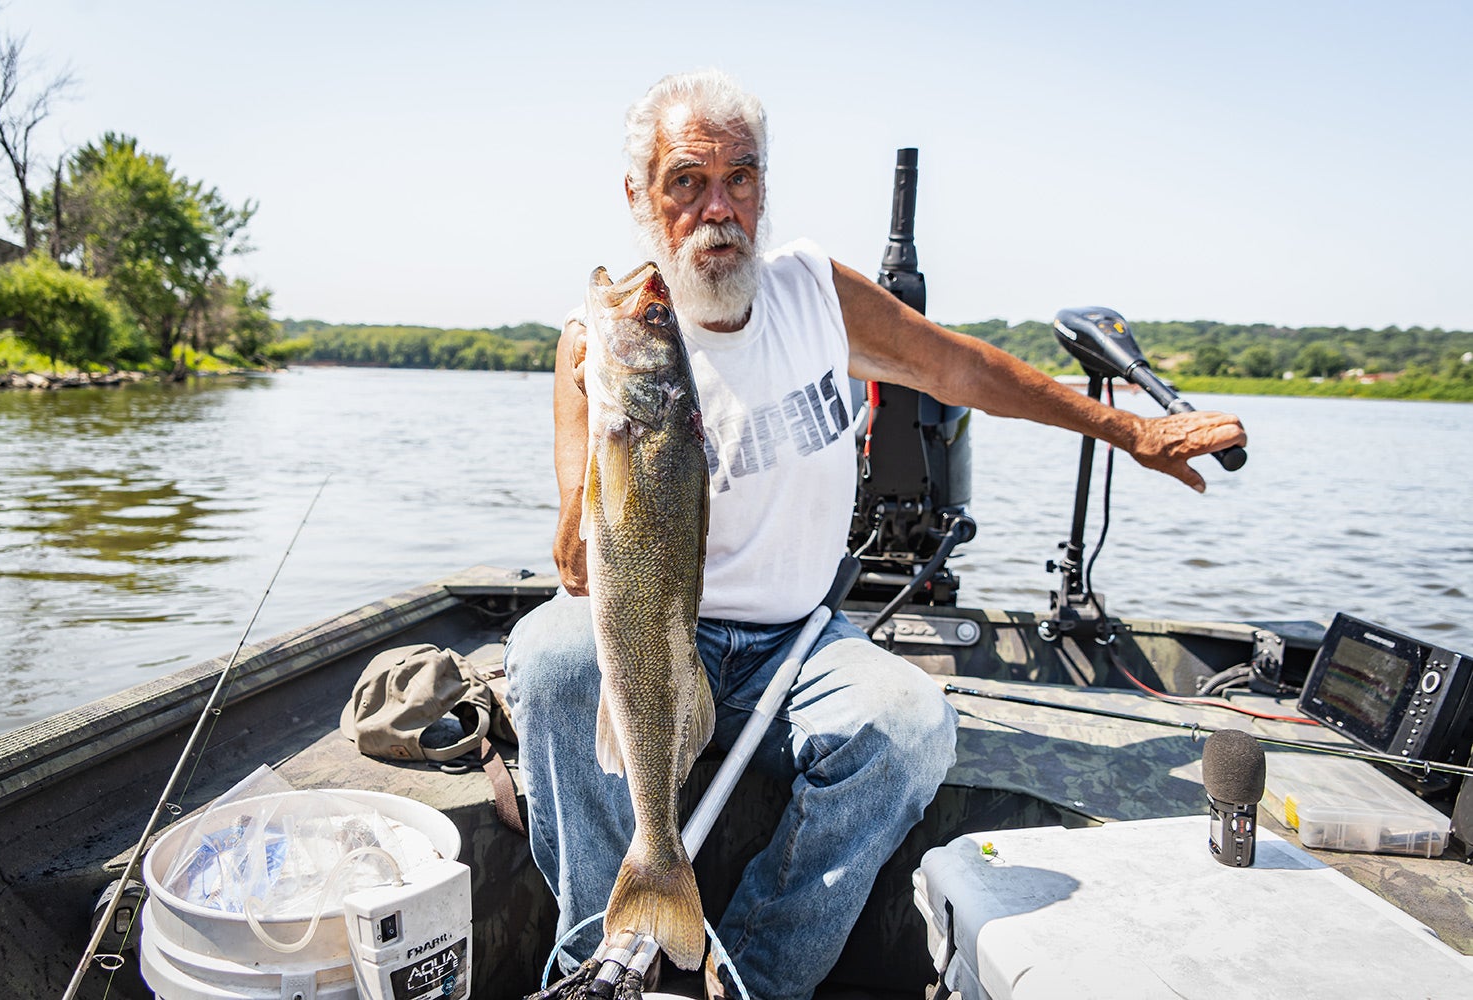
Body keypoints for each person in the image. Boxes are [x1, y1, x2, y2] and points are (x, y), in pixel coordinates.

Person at [505, 69, 1247, 1000]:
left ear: (766, 188)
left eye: (742, 177)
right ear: (640, 196)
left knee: (911, 725)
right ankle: (599, 965)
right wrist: (587, 480)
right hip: (662, 643)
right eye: (686, 180)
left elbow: (964, 371)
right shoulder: (605, 343)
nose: (719, 207)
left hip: (799, 644)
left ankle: (754, 978)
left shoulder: (813, 293)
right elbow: (580, 543)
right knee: (548, 661)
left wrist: (1128, 430)